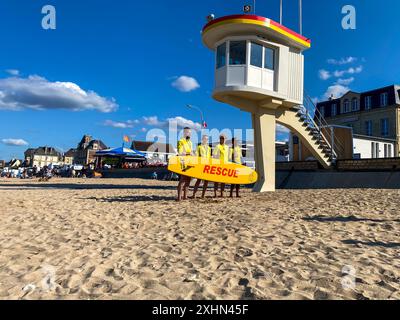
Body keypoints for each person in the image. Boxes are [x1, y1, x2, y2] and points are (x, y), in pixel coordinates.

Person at [177, 127, 194, 201]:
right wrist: (188, 153)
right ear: (184, 132)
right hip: (183, 161)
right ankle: (179, 197)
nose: (189, 133)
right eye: (187, 132)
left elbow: (191, 152)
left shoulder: (190, 142)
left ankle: (185, 196)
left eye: (190, 132)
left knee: (188, 180)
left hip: (189, 161)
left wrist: (193, 155)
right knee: (183, 179)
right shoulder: (181, 141)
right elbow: (180, 152)